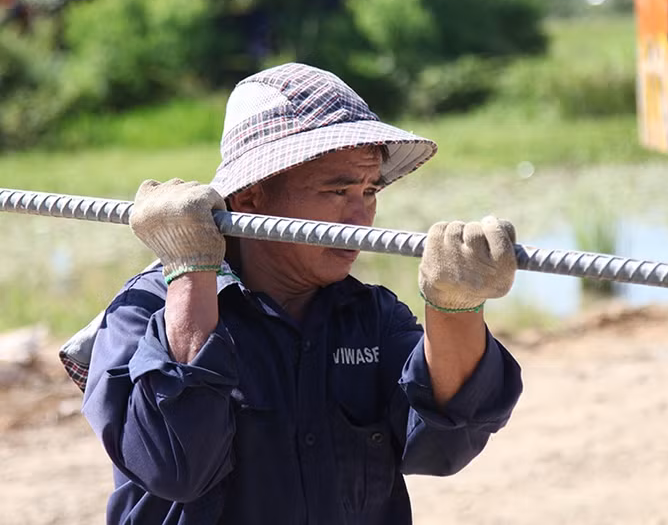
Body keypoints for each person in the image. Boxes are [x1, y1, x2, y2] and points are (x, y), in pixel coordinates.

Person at [79, 62, 522, 525]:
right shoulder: (145, 311)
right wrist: (190, 271)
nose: (361, 216)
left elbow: (444, 447)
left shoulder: (370, 315)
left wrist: (455, 308)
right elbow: (176, 467)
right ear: (251, 197)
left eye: (370, 190)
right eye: (338, 191)